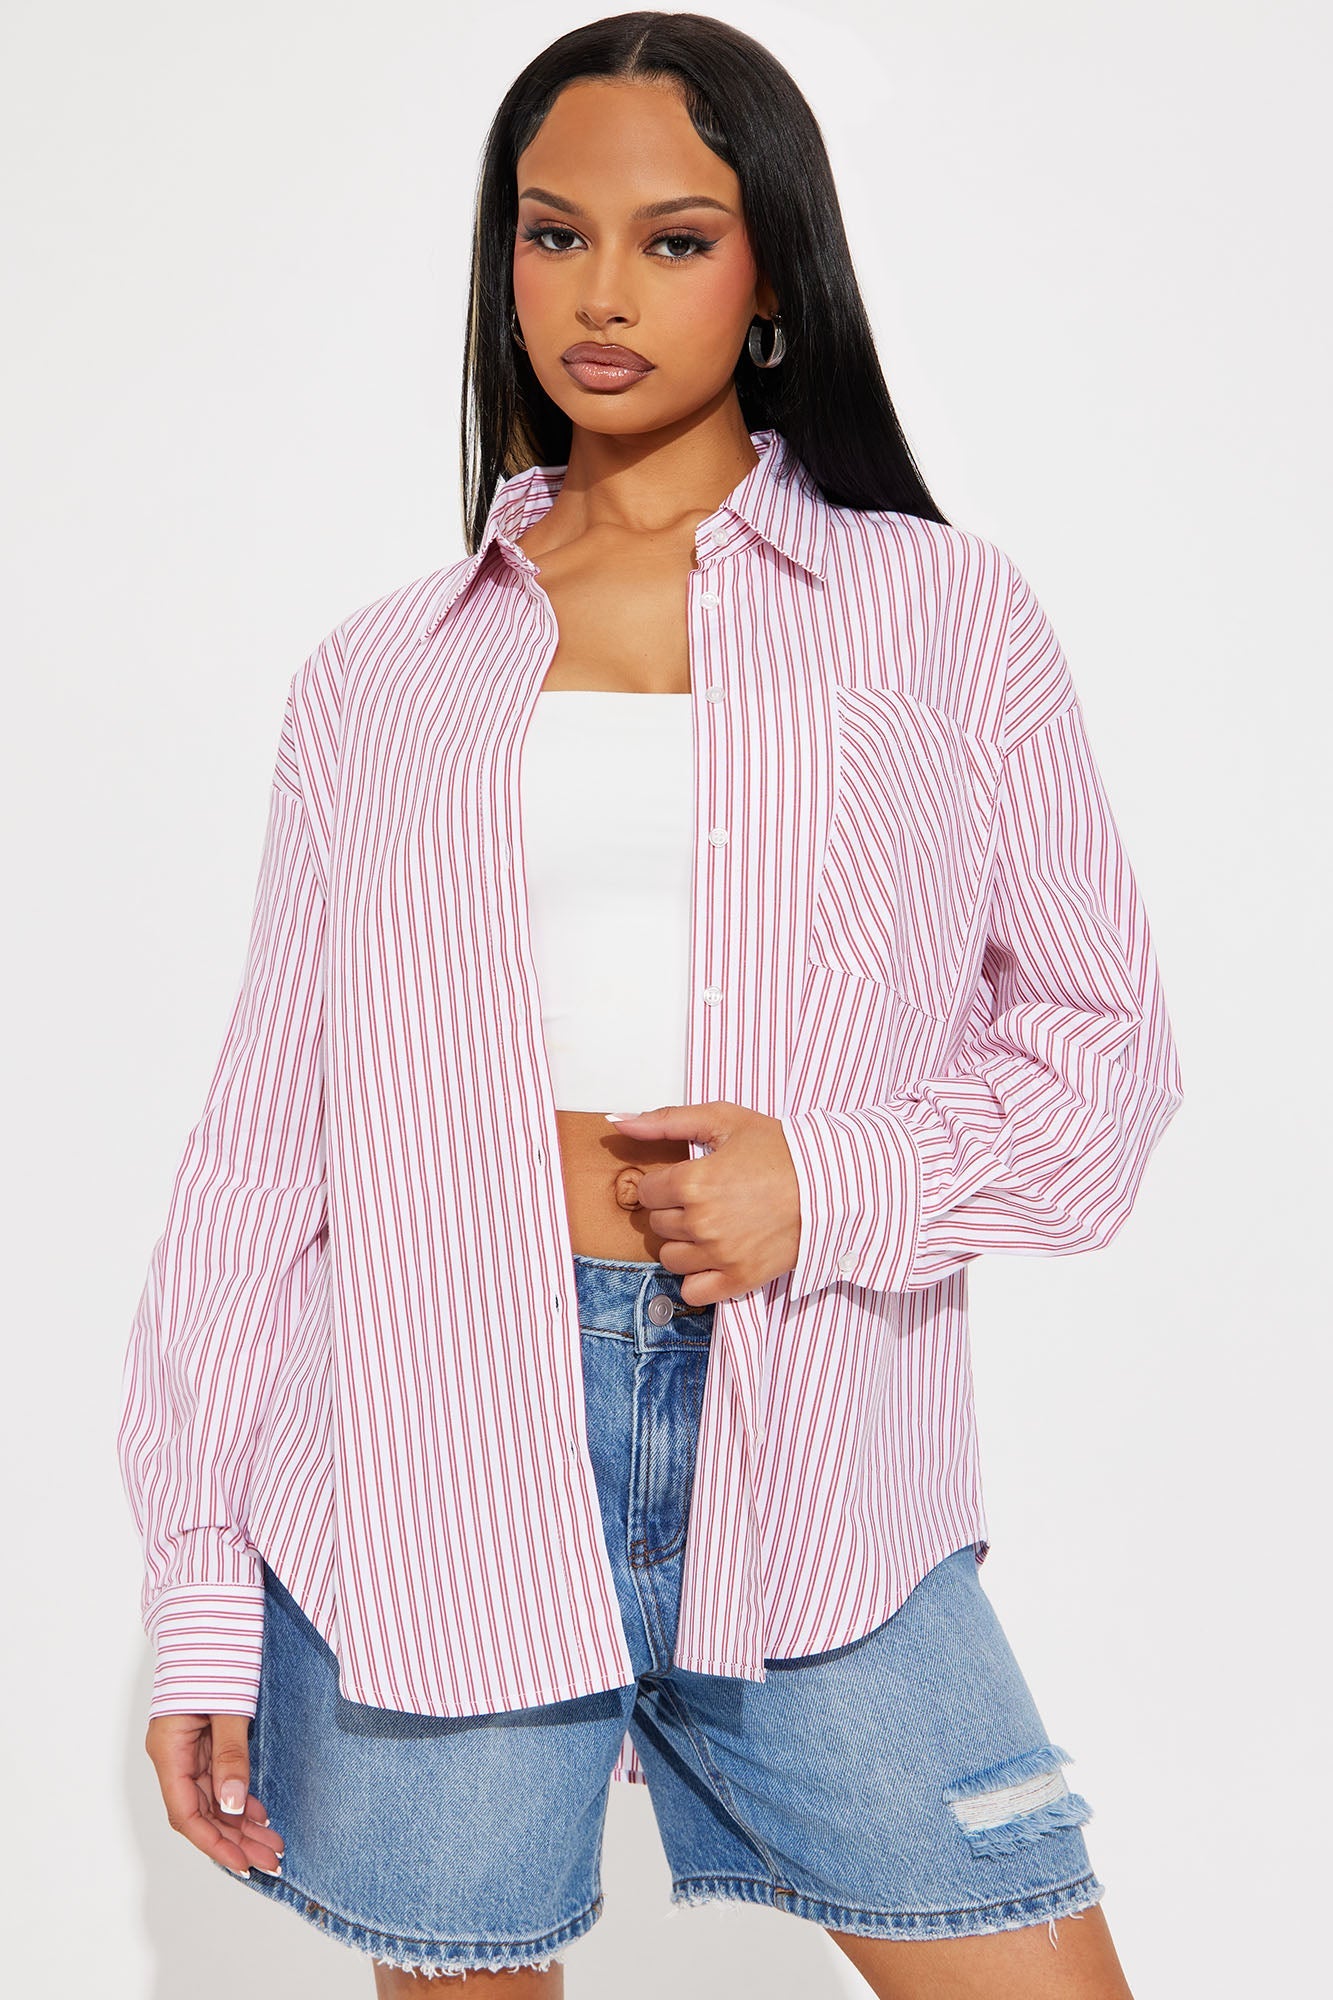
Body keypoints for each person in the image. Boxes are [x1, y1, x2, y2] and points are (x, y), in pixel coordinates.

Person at [117, 13, 1182, 1997]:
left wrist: (829, 1180)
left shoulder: (940, 617)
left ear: (773, 276)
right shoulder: (377, 678)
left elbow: (1107, 1064)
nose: (598, 292)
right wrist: (197, 1594)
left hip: (820, 1466)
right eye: (553, 233)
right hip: (429, 1456)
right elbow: (259, 1149)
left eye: (673, 239)